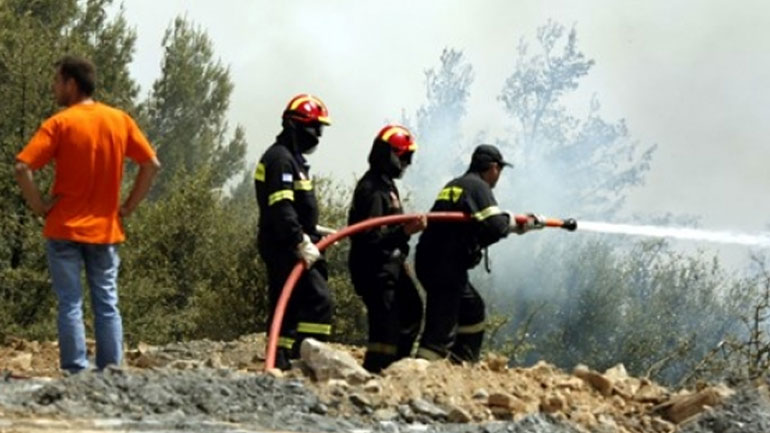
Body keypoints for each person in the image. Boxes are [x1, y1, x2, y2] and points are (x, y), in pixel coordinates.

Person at [14, 55, 160, 373]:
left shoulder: (60, 123)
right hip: (106, 229)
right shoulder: (119, 120)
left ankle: (76, 371)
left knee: (71, 303)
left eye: (57, 81)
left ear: (71, 84)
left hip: (64, 227)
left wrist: (39, 205)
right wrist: (128, 206)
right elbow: (151, 165)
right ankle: (111, 370)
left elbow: (23, 167)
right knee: (107, 302)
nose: (54, 87)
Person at [414, 144, 543, 363]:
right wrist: (519, 223)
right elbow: (495, 225)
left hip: (436, 261)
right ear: (493, 167)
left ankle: (461, 364)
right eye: (499, 170)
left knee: (472, 310)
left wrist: (515, 224)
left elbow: (476, 228)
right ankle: (418, 372)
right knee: (441, 327)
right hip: (444, 266)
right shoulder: (477, 186)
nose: (499, 176)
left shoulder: (455, 185)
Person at [255, 94, 334, 370]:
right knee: (317, 299)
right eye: (314, 128)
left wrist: (313, 231)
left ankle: (285, 361)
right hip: (284, 246)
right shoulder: (280, 159)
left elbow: (298, 209)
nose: (318, 136)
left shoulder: (294, 160)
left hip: (295, 242)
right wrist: (299, 240)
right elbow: (281, 207)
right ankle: (308, 360)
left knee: (292, 304)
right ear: (294, 126)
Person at [347, 125, 427, 373]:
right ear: (389, 153)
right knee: (385, 327)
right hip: (374, 269)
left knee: (412, 311)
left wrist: (401, 253)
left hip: (390, 266)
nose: (406, 163)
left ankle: (397, 368)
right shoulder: (372, 189)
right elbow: (370, 238)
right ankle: (377, 372)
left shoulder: (387, 185)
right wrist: (405, 232)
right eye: (404, 156)